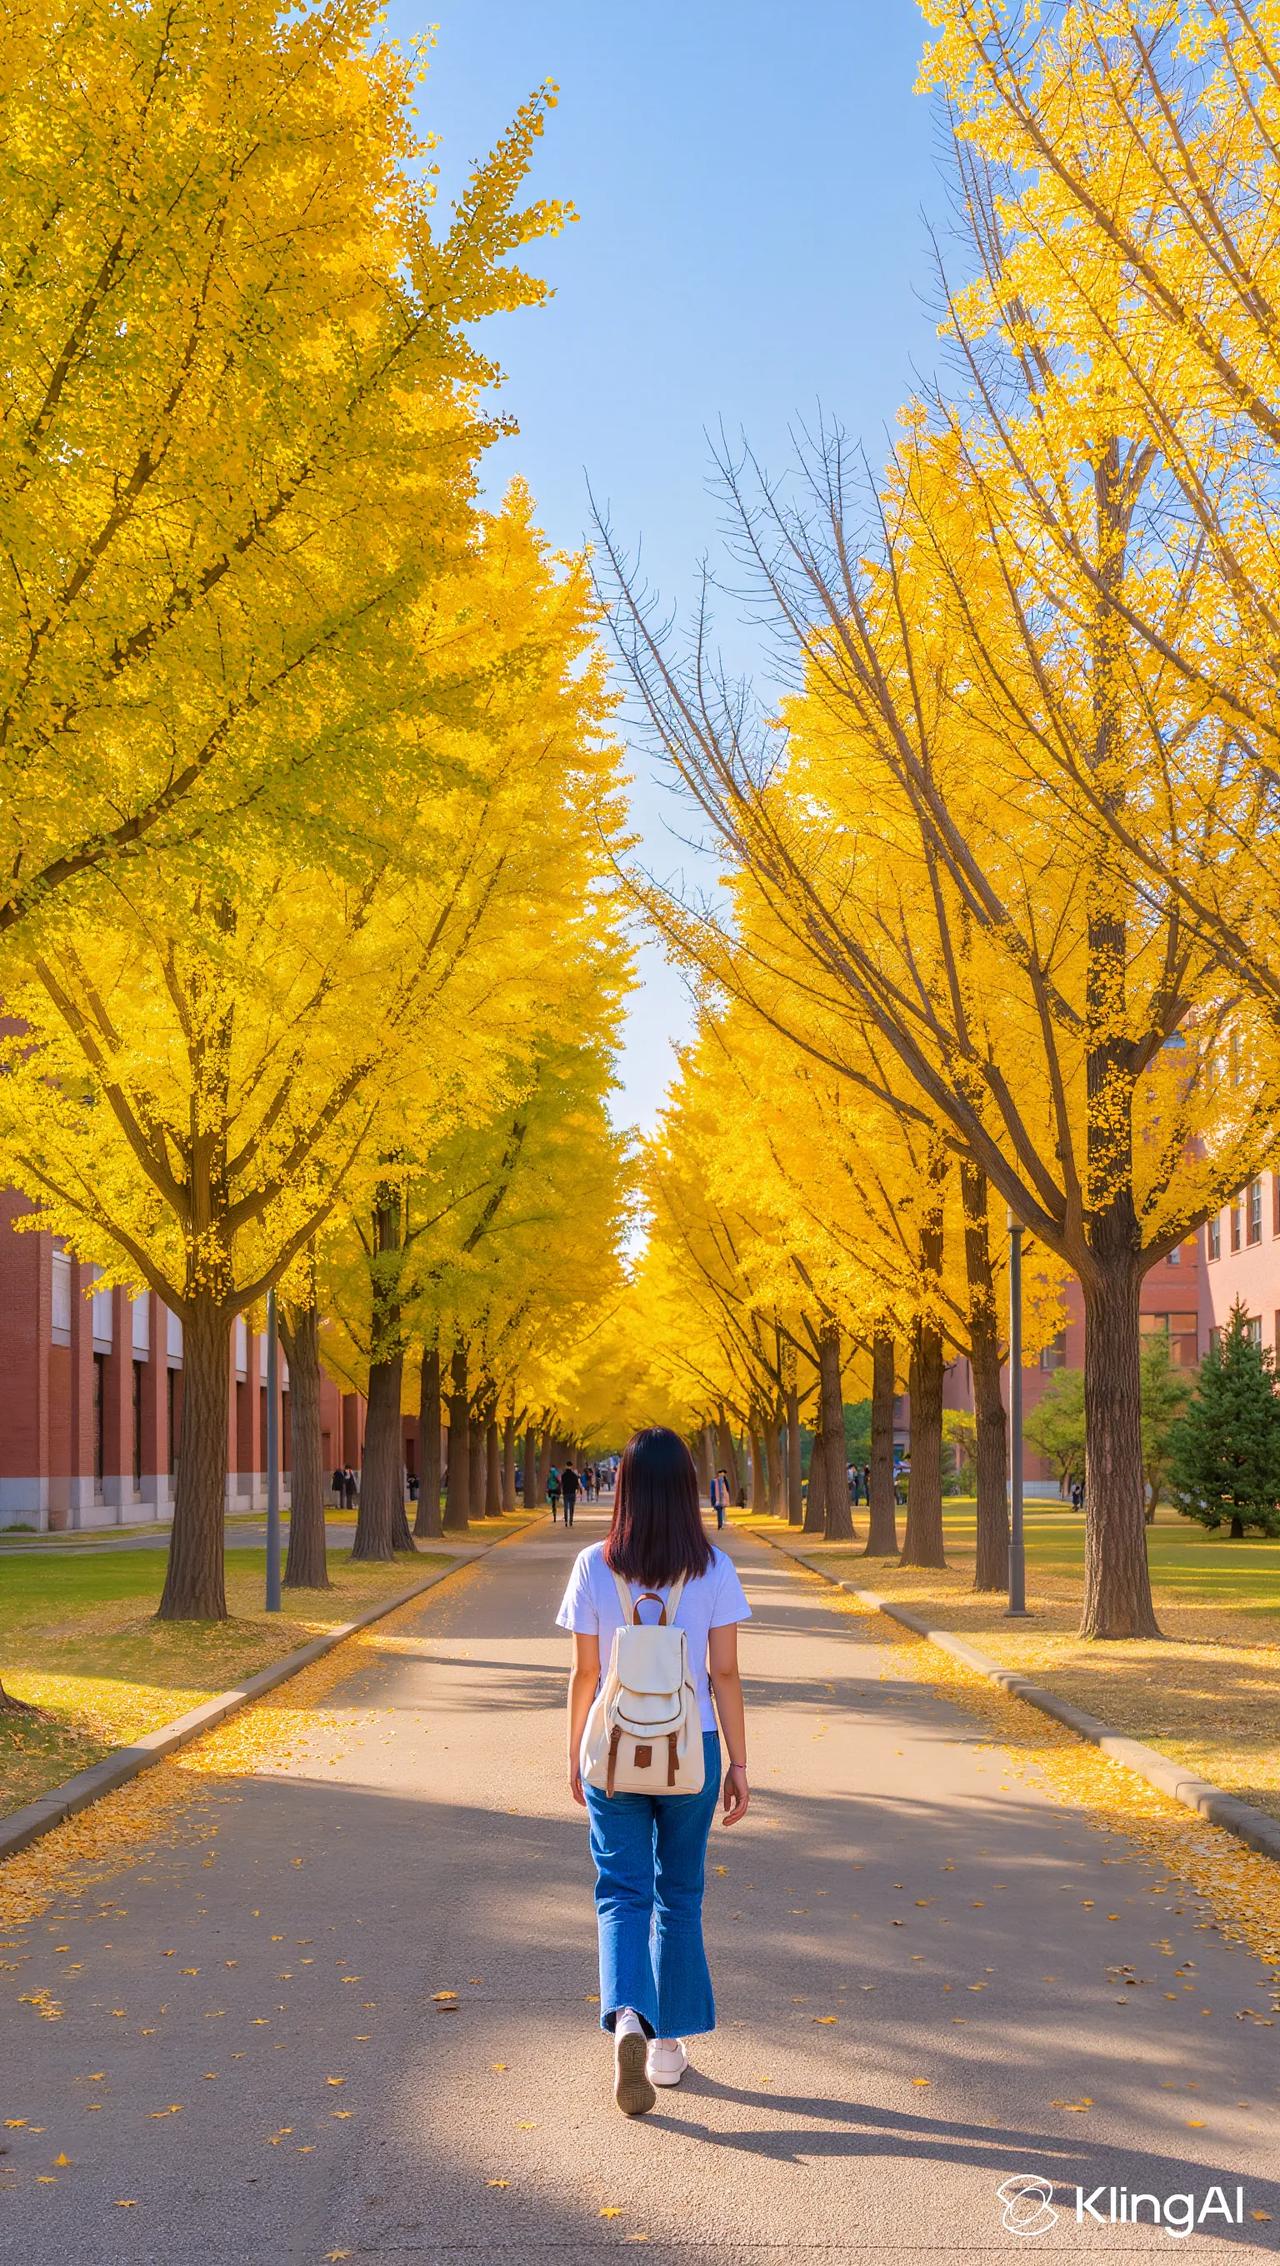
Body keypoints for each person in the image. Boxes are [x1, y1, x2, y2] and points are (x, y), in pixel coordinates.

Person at [558, 1426, 751, 2117]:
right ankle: (667, 2047)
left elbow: (585, 1672)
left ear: (626, 1489)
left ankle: (628, 2016)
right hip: (690, 1752)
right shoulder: (713, 1568)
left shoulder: (592, 1565)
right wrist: (739, 1761)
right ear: (687, 1489)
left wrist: (573, 1752)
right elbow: (722, 1672)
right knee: (681, 1893)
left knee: (620, 1892)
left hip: (611, 1751)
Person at [709, 1466, 731, 1531]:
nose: (722, 1475)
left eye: (723, 1474)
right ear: (718, 1474)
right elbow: (712, 1491)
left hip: (723, 1499)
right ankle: (720, 1524)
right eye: (721, 1473)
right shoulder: (714, 1481)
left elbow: (727, 1490)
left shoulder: (725, 1481)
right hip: (718, 1499)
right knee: (720, 1511)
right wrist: (713, 1500)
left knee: (721, 1511)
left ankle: (721, 1524)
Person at [561, 1462, 580, 1528]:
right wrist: (577, 1491)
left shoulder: (563, 1475)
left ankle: (566, 1521)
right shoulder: (574, 1475)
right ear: (571, 1466)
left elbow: (562, 1484)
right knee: (572, 1507)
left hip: (565, 1493)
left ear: (566, 1466)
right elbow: (577, 1485)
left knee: (566, 1507)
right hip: (572, 1493)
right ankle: (571, 1520)